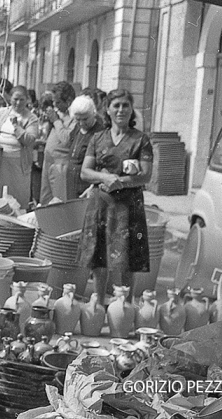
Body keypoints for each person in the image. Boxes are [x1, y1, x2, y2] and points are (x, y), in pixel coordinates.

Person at [78, 89, 153, 304]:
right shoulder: (97, 138)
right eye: (116, 105)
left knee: (128, 257)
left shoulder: (141, 140)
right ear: (108, 110)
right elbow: (85, 172)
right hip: (101, 204)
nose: (121, 110)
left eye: (125, 105)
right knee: (99, 256)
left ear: (132, 110)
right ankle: (99, 302)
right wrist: (104, 177)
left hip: (128, 206)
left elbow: (145, 175)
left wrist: (120, 182)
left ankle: (125, 306)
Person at [0, 85, 39, 206]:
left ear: (27, 100)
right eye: (15, 99)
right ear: (10, 98)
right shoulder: (1, 113)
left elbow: (30, 140)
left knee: (18, 197)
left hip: (19, 164)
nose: (18, 103)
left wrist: (16, 126)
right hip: (0, 162)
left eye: (22, 99)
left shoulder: (32, 118)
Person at [39, 81, 77, 205]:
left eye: (58, 102)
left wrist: (56, 120)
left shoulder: (75, 118)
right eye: (53, 102)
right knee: (46, 200)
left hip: (61, 164)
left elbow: (66, 140)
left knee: (59, 203)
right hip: (48, 161)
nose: (55, 105)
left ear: (69, 101)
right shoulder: (60, 115)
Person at [66, 95, 105, 199]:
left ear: (93, 113)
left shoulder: (100, 133)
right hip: (72, 183)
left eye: (85, 119)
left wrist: (94, 186)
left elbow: (103, 163)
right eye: (78, 119)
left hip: (88, 186)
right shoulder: (77, 129)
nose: (82, 123)